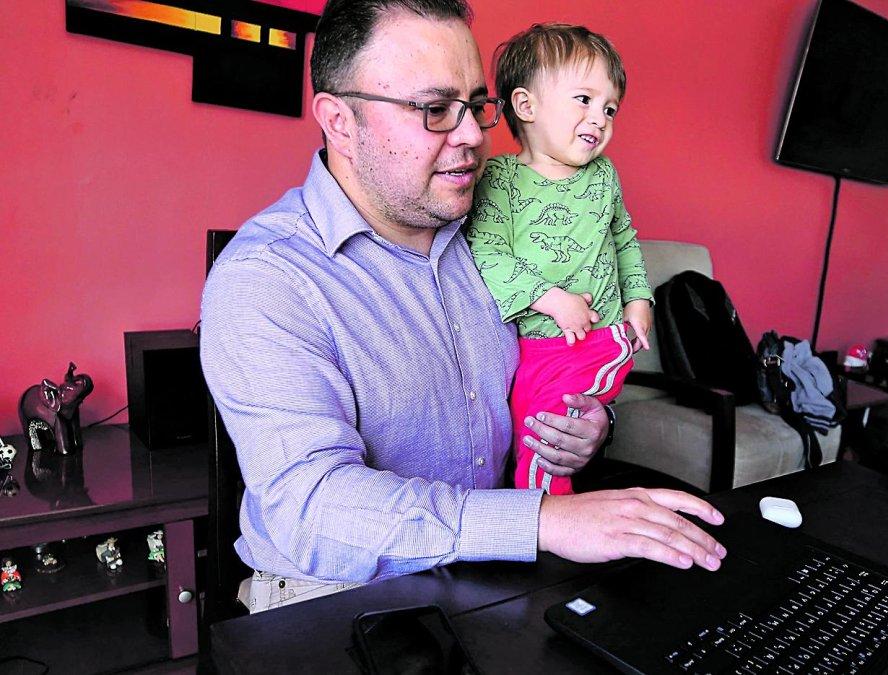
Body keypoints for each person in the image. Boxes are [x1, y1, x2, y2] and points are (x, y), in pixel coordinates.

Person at [199, 0, 726, 613]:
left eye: (477, 105)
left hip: (490, 573)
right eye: (435, 109)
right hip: (336, 597)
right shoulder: (267, 278)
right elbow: (312, 507)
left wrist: (587, 429)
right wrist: (541, 521)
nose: (474, 135)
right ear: (340, 121)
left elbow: (557, 363)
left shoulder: (491, 228)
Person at [466, 24, 651, 496]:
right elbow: (487, 253)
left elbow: (625, 240)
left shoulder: (603, 176)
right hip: (535, 346)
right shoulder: (500, 179)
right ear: (526, 106)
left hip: (594, 340)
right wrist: (551, 299)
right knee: (530, 432)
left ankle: (545, 512)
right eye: (584, 100)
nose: (600, 119)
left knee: (546, 443)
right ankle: (536, 515)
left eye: (610, 108)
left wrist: (639, 300)